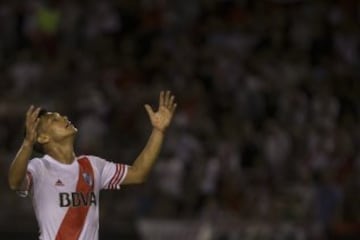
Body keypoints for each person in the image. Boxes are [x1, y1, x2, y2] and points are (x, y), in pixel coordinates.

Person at [8, 91, 177, 240]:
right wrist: (27, 144)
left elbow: (139, 174)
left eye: (60, 116)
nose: (63, 118)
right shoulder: (40, 167)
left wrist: (158, 131)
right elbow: (15, 182)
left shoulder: (93, 165)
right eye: (54, 119)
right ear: (43, 138)